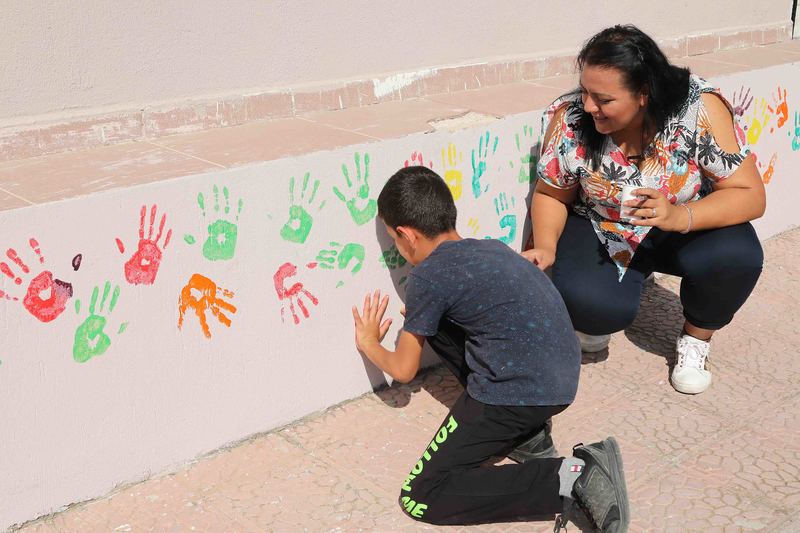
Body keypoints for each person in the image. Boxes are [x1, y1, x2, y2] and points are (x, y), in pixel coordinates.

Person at [351, 165, 629, 531]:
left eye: (394, 241)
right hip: (560, 378)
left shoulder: (428, 277)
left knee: (421, 496)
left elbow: (403, 370)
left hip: (517, 393)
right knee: (437, 322)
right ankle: (528, 435)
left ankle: (573, 475)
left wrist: (370, 342)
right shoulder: (491, 249)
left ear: (406, 236)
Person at [524, 25, 765, 394]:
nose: (588, 106)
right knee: (593, 306)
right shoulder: (573, 119)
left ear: (643, 94)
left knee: (739, 255)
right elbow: (552, 194)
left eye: (603, 99)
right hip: (604, 228)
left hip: (683, 223)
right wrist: (545, 248)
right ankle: (595, 317)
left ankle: (696, 339)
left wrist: (677, 216)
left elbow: (750, 194)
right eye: (585, 91)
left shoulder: (698, 109)